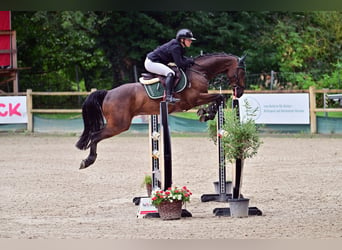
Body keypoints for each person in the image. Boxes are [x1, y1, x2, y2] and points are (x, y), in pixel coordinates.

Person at [144, 28, 196, 103]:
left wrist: (189, 60)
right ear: (182, 40)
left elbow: (181, 59)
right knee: (170, 73)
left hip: (157, 62)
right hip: (151, 63)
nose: (191, 41)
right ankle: (168, 96)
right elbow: (180, 63)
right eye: (189, 40)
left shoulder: (179, 46)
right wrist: (189, 61)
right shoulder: (176, 47)